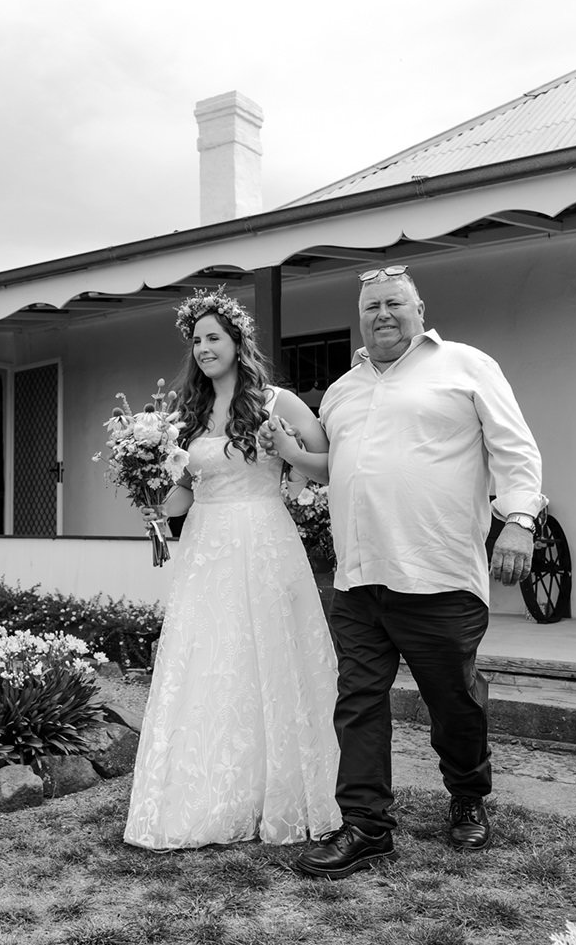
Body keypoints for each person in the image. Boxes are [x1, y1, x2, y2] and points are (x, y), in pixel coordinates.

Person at [266, 264, 543, 879]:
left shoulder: (466, 365)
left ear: (420, 310)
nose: (383, 314)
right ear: (359, 318)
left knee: (454, 703)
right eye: (371, 307)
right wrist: (289, 453)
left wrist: (519, 520)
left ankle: (468, 794)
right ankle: (366, 826)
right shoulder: (340, 390)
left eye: (395, 303)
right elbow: (337, 468)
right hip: (360, 577)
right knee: (358, 702)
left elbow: (515, 448)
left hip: (438, 571)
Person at [123, 289, 343, 851]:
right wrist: (149, 490)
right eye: (195, 341)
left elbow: (326, 462)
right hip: (206, 547)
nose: (202, 349)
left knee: (266, 656)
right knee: (213, 658)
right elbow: (186, 491)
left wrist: (288, 454)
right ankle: (213, 789)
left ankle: (279, 790)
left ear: (238, 341)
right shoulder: (189, 414)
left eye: (213, 337)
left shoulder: (277, 401)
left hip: (263, 538)